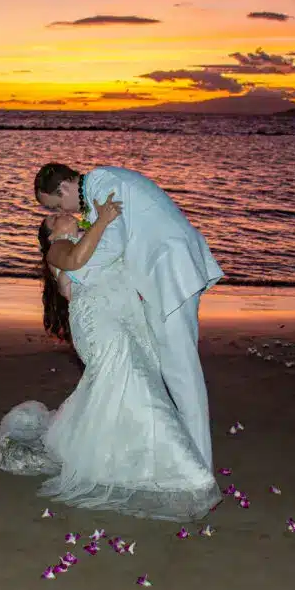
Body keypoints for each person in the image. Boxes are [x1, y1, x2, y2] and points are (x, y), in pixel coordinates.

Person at [0, 196, 221, 522]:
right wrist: (102, 220)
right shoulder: (57, 248)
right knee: (136, 382)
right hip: (100, 322)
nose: (60, 216)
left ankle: (132, 453)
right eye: (53, 219)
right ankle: (185, 472)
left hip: (126, 314)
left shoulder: (92, 237)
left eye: (58, 212)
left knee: (136, 384)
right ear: (50, 234)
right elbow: (75, 259)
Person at [33, 163, 223, 470]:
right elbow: (104, 246)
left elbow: (112, 246)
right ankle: (179, 450)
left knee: (180, 369)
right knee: (164, 368)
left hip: (169, 271)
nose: (63, 211)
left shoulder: (103, 184)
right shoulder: (96, 196)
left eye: (56, 205)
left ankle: (199, 460)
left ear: (65, 188)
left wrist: (76, 272)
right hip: (153, 282)